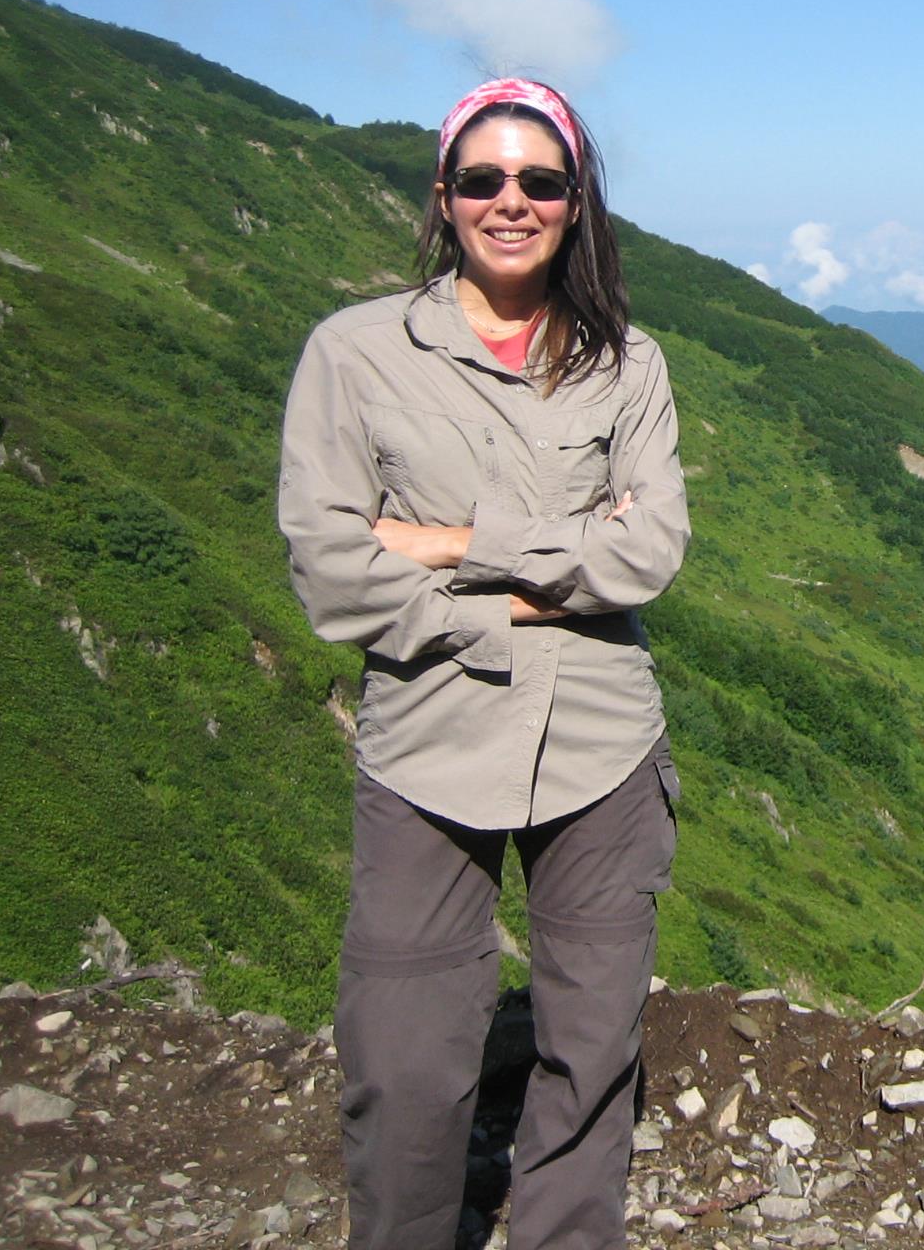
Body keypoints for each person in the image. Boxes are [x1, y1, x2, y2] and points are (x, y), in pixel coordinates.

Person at [278, 77, 691, 1249]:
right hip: (426, 739)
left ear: (575, 202)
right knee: (402, 1058)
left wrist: (453, 546)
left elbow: (650, 552)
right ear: (444, 195)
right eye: (483, 178)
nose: (511, 201)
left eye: (540, 180)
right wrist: (544, 585)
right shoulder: (356, 353)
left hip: (601, 744)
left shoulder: (628, 363)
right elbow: (329, 566)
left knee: (592, 1046)